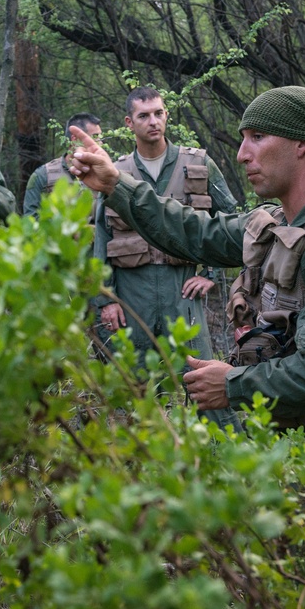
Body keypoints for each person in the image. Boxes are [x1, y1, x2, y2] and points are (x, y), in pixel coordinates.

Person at [70, 86, 305, 443]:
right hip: (291, 443)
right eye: (243, 139)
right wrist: (115, 184)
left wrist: (232, 383)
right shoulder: (278, 221)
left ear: (303, 143)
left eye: (258, 137)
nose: (241, 154)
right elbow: (195, 232)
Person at [92, 87, 239, 429]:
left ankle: (226, 452)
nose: (152, 121)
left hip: (182, 289)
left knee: (202, 372)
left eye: (158, 113)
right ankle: (135, 458)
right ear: (129, 123)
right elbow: (100, 236)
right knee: (132, 381)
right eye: (143, 116)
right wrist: (105, 299)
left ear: (167, 116)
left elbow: (231, 221)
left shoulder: (198, 163)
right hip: (132, 291)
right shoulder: (116, 171)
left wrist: (211, 272)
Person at [23, 112, 102, 219]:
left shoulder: (104, 172)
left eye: (101, 137)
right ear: (75, 139)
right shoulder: (43, 175)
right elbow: (31, 220)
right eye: (95, 137)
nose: (100, 143)